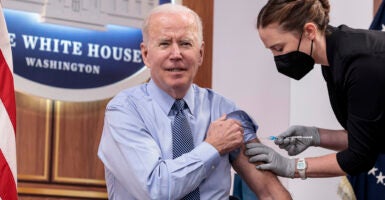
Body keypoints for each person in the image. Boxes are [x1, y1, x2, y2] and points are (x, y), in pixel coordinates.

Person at [97, 3, 291, 200]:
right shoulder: (125, 111)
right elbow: (156, 189)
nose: (176, 55)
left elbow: (270, 192)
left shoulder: (224, 110)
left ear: (200, 54)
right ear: (146, 54)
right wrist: (212, 147)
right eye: (164, 43)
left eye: (185, 44)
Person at [245, 0, 385, 187]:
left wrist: (291, 166)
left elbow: (359, 156)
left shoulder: (360, 64)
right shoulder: (334, 58)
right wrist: (315, 136)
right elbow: (366, 136)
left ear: (309, 31)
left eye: (279, 48)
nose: (277, 58)